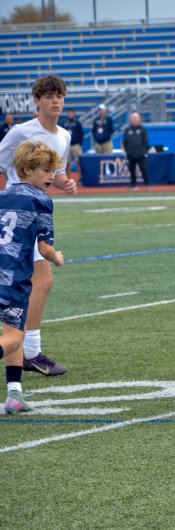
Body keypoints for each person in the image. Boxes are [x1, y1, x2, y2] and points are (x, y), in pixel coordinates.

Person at [0, 74, 77, 377]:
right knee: (40, 282)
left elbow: (53, 173)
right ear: (37, 101)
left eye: (59, 96)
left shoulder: (64, 135)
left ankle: (26, 352)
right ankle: (29, 352)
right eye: (48, 96)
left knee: (37, 284)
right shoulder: (21, 132)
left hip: (35, 214)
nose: (55, 101)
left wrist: (64, 182)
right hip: (21, 216)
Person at [1, 141, 65, 413]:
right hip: (12, 275)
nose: (51, 176)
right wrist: (57, 258)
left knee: (10, 330)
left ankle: (15, 395)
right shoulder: (40, 200)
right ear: (27, 169)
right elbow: (44, 248)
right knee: (15, 337)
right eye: (46, 169)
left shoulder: (3, 194)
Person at [122, 112, 150, 190]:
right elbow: (125, 141)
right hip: (131, 154)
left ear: (139, 119)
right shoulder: (127, 129)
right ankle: (133, 185)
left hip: (140, 154)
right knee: (132, 170)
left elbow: (145, 141)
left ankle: (147, 184)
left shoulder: (142, 129)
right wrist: (127, 151)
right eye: (133, 118)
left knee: (143, 169)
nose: (134, 120)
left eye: (136, 118)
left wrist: (143, 150)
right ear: (131, 119)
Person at [62, 108, 84, 173]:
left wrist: (79, 143)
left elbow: (81, 133)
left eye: (71, 113)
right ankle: (67, 179)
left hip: (76, 145)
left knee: (79, 162)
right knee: (67, 163)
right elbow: (62, 134)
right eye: (69, 113)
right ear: (67, 114)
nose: (70, 114)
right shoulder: (64, 124)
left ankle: (80, 178)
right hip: (67, 146)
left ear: (73, 114)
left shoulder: (77, 123)